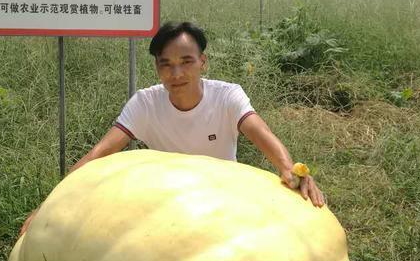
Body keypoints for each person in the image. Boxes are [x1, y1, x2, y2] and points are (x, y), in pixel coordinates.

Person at [19, 21, 325, 236]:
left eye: (186, 61)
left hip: (225, 200)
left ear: (203, 62)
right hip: (165, 208)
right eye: (165, 64)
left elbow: (262, 134)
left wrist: (291, 170)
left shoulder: (227, 96)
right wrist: (48, 205)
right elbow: (99, 153)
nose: (176, 73)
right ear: (156, 67)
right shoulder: (145, 104)